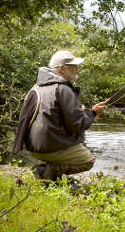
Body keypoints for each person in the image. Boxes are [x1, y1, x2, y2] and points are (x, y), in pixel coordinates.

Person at [12, 50, 107, 181]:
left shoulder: (37, 86)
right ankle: (42, 174)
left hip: (32, 147)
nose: (77, 69)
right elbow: (78, 125)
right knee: (88, 160)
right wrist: (93, 113)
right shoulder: (63, 89)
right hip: (48, 148)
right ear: (62, 69)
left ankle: (46, 175)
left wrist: (81, 111)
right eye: (74, 67)